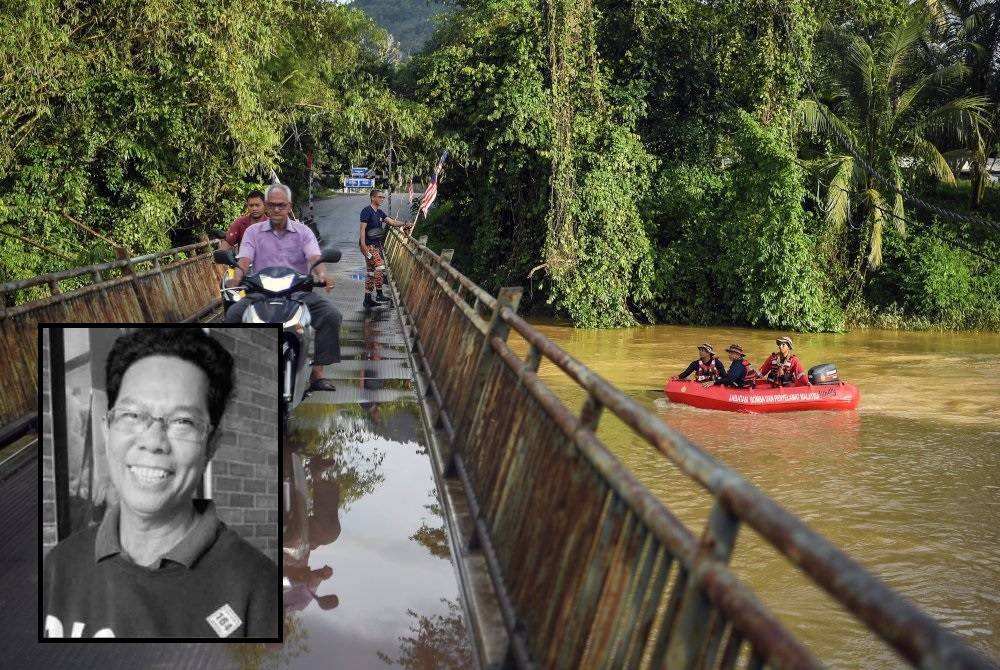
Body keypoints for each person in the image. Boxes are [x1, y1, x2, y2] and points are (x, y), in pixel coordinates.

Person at [42, 328, 279, 638]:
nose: (153, 441)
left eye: (182, 421)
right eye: (132, 415)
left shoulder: (258, 590)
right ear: (106, 430)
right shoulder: (61, 565)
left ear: (211, 445)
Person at [225, 184, 342, 392]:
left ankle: (317, 374)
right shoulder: (253, 232)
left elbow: (315, 256)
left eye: (281, 205)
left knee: (331, 315)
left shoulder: (303, 232)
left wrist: (322, 275)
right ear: (266, 207)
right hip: (260, 293)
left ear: (289, 206)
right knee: (233, 314)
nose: (276, 209)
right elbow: (244, 259)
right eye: (272, 205)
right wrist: (236, 277)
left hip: (298, 293)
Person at [359, 188, 412, 308]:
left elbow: (392, 222)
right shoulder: (366, 211)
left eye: (383, 197)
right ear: (373, 198)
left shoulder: (380, 213)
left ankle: (367, 299)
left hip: (376, 245)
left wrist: (404, 223)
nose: (382, 199)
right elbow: (362, 229)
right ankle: (379, 293)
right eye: (380, 197)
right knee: (380, 266)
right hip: (368, 245)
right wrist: (363, 246)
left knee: (371, 272)